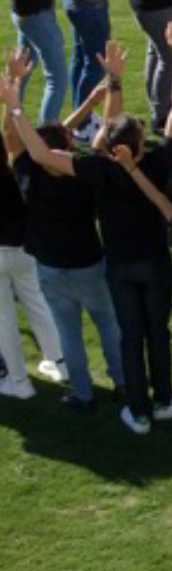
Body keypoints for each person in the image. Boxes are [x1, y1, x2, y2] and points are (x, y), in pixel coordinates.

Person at [14, 30, 172, 436]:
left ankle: (139, 413)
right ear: (140, 143)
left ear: (108, 145)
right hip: (156, 263)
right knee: (157, 332)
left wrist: (15, 108)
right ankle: (165, 400)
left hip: (119, 268)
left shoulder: (98, 169)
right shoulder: (160, 161)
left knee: (131, 336)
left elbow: (40, 154)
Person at [1, 74, 122, 410]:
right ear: (68, 148)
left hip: (52, 271)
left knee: (69, 336)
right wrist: (110, 87)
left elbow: (16, 142)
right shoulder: (86, 175)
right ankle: (124, 381)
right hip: (90, 265)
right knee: (109, 326)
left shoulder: (27, 174)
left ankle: (82, 394)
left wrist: (13, 105)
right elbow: (106, 137)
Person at [0, 128, 65, 398]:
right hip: (23, 248)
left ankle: (19, 382)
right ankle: (59, 362)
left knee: (3, 319)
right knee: (36, 303)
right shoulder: (8, 170)